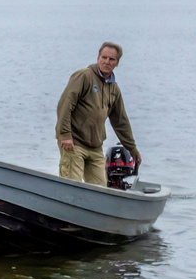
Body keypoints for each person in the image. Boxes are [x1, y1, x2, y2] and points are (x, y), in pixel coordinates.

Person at [55, 41, 138, 186]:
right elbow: (64, 105)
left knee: (101, 190)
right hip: (73, 142)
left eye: (111, 59)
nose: (107, 62)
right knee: (72, 186)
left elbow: (120, 121)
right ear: (98, 57)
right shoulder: (84, 76)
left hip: (95, 147)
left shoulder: (114, 88)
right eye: (104, 57)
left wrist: (132, 149)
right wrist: (65, 135)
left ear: (117, 63)